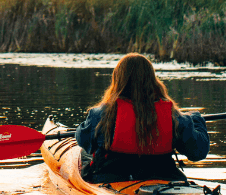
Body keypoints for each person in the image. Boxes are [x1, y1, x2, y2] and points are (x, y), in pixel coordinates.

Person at [76, 52, 209, 184]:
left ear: (117, 80)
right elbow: (198, 152)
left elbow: (83, 139)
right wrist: (196, 119)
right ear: (152, 80)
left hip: (112, 179)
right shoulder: (174, 117)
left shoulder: (101, 114)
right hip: (165, 179)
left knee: (83, 154)